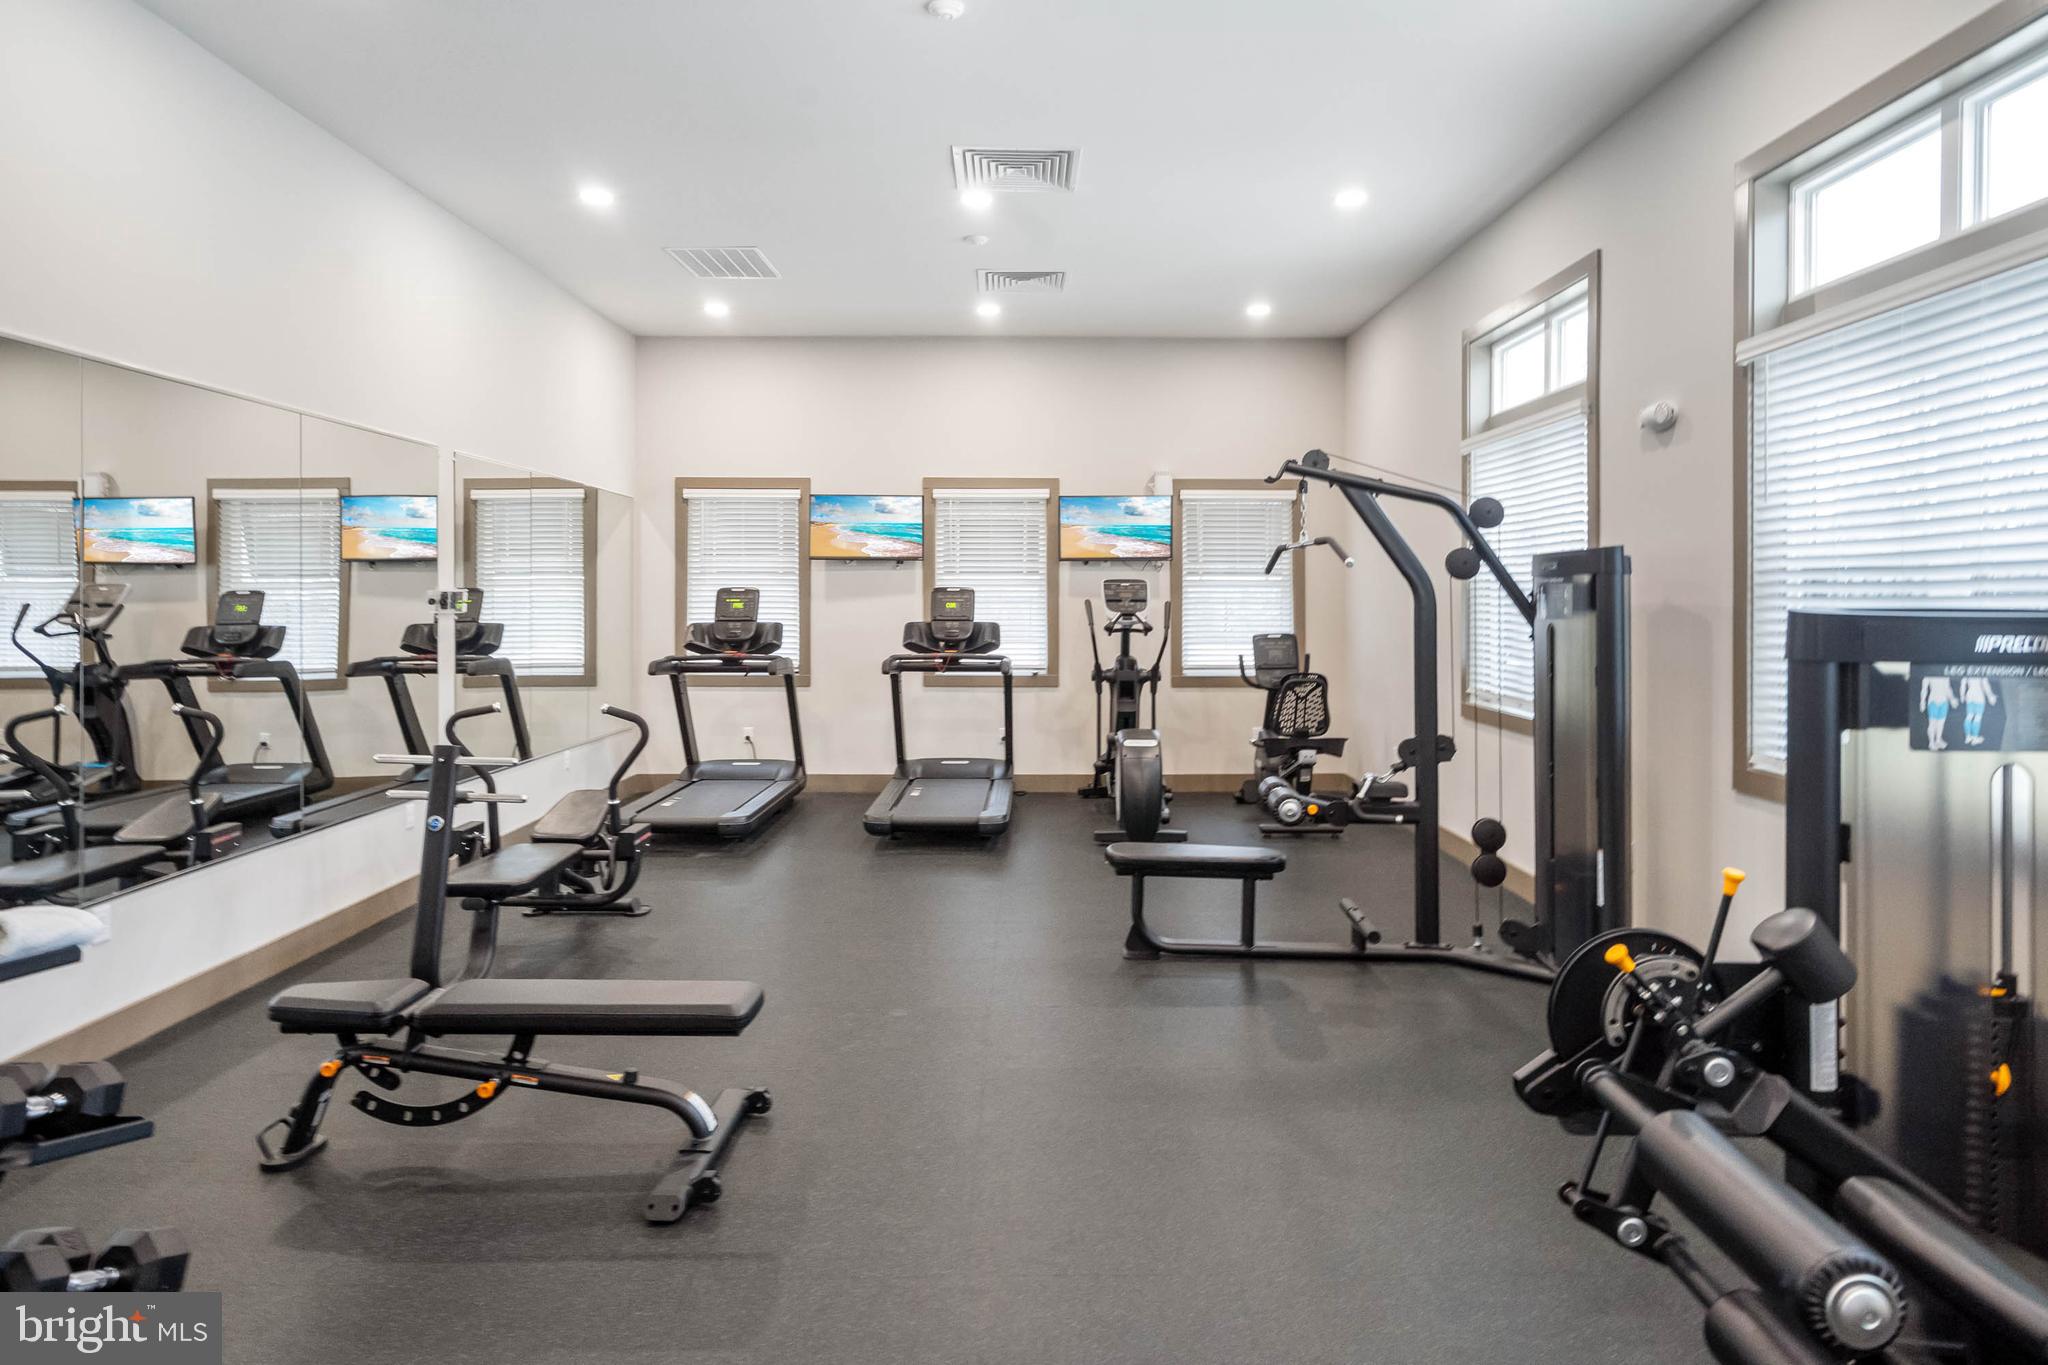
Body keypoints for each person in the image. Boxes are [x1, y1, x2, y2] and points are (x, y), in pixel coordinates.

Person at [1920, 675, 1957, 752]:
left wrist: (1952, 699)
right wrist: (1922, 702)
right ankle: (1931, 742)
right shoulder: (1928, 675)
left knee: (1941, 723)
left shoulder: (1945, 675)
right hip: (1933, 701)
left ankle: (1938, 740)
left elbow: (1948, 688)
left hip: (1944, 702)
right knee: (1932, 723)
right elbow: (1924, 689)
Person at [1959, 675, 1999, 747]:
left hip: (1969, 694)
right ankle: (1975, 738)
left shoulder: (1967, 671)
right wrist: (1990, 696)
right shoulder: (1981, 671)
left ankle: (1968, 737)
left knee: (1969, 716)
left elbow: (1963, 684)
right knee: (1978, 717)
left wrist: (1962, 695)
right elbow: (1985, 685)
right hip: (1979, 695)